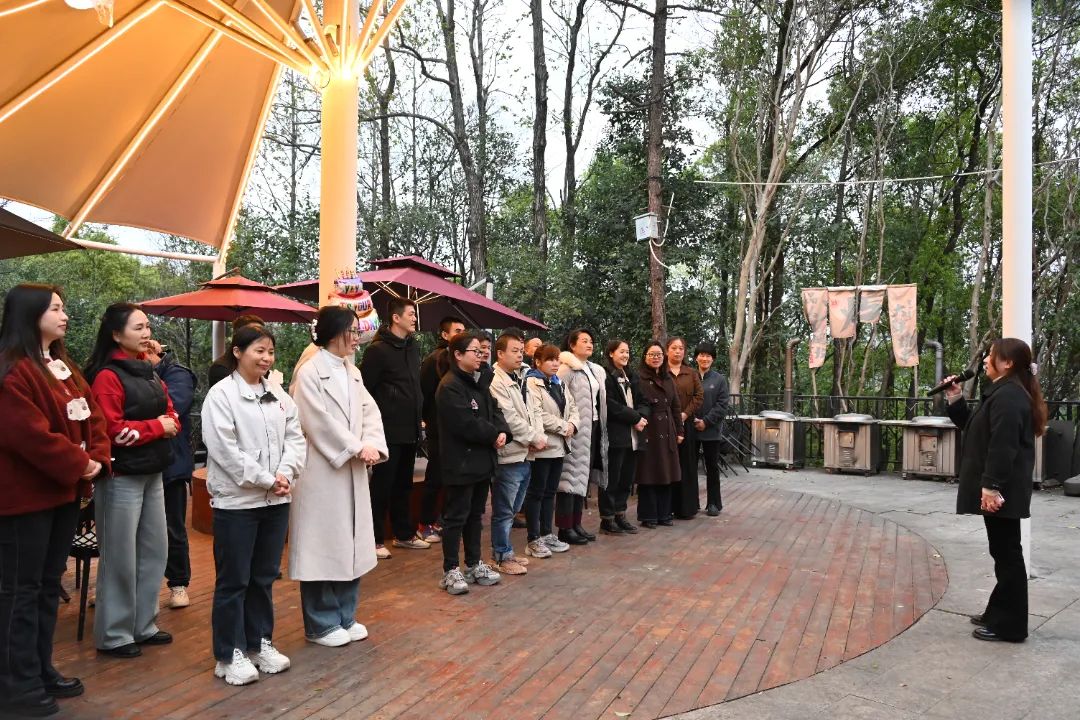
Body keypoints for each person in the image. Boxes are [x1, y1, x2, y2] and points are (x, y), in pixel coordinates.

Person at [0, 285, 109, 718]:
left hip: (63, 494)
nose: (64, 315)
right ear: (30, 314)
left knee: (47, 586)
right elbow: (27, 434)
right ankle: (16, 684)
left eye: (63, 307)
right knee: (19, 591)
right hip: (24, 501)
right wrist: (81, 463)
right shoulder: (13, 370)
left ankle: (40, 669)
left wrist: (97, 457)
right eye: (56, 308)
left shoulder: (63, 366)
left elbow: (94, 416)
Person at [201, 325, 304, 685]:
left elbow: (296, 438)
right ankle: (228, 654)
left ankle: (259, 643)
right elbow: (224, 450)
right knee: (234, 580)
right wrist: (266, 478)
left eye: (270, 352)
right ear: (237, 352)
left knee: (263, 577)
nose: (266, 358)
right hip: (237, 504)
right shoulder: (221, 395)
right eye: (259, 350)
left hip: (276, 499)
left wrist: (285, 473)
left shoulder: (278, 395)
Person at [290, 306, 388, 647]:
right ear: (334, 332)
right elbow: (315, 420)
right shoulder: (309, 372)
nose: (357, 337)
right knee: (320, 546)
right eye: (353, 330)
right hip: (322, 470)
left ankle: (346, 615)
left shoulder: (352, 371)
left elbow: (370, 412)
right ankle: (320, 623)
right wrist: (355, 447)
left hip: (352, 469)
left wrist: (372, 443)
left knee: (351, 543)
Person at [85, 304, 178, 659]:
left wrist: (164, 424)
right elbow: (110, 430)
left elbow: (172, 412)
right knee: (119, 556)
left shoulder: (148, 371)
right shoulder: (107, 376)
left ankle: (144, 624)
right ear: (115, 334)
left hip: (153, 471)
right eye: (138, 327)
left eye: (147, 326)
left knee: (155, 551)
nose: (146, 333)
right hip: (121, 476)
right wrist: (157, 427)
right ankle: (114, 633)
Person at [943, 338, 1045, 644]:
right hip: (1001, 487)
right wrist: (955, 399)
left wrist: (991, 486)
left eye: (991, 355)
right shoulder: (1002, 391)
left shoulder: (1009, 396)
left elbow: (1003, 446)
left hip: (1003, 489)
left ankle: (1010, 626)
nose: (986, 360)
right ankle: (998, 612)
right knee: (1003, 552)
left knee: (1008, 554)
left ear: (1007, 363)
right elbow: (976, 429)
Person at [435, 332, 510, 595]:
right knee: (456, 517)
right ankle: (450, 569)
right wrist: (493, 434)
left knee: (476, 516)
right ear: (458, 354)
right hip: (461, 462)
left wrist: (503, 432)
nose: (481, 356)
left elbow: (495, 411)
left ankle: (474, 563)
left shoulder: (479, 382)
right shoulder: (450, 386)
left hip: (482, 461)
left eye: (482, 351)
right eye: (475, 352)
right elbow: (465, 423)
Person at [360, 298, 427, 556]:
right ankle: (373, 539)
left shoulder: (413, 347)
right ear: (396, 318)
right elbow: (366, 390)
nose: (415, 318)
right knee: (382, 486)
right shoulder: (377, 350)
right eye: (410, 314)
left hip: (411, 428)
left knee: (404, 485)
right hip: (386, 430)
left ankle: (404, 534)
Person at [145, 339, 198, 608]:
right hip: (138, 462)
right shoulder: (124, 372)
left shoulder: (177, 374)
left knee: (172, 527)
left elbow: (172, 410)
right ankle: (123, 585)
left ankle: (178, 583)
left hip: (172, 465)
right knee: (134, 530)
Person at [488, 331, 546, 575]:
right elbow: (509, 417)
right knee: (503, 511)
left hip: (526, 452)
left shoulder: (523, 376)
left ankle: (507, 552)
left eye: (521, 350)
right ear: (500, 353)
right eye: (514, 351)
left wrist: (537, 437)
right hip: (509, 454)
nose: (520, 355)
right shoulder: (495, 380)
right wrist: (534, 438)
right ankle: (501, 556)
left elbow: (534, 411)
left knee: (513, 509)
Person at [523, 344, 576, 558]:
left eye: (557, 360)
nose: (555, 364)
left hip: (560, 446)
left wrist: (573, 424)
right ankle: (533, 538)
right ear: (538, 362)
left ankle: (546, 533)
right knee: (536, 493)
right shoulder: (531, 383)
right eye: (550, 360)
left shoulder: (558, 382)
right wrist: (564, 427)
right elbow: (537, 414)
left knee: (550, 493)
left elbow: (573, 407)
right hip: (543, 446)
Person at [556, 329, 608, 544]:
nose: (589, 344)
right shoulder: (566, 368)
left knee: (582, 477)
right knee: (569, 477)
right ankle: (565, 527)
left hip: (593, 426)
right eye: (584, 341)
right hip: (575, 429)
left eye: (591, 341)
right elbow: (558, 398)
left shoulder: (594, 369)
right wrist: (569, 424)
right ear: (572, 345)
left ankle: (576, 524)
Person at [417, 315, 465, 546]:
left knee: (452, 478)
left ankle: (445, 520)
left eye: (464, 331)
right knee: (435, 477)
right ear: (445, 335)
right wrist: (429, 421)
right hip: (437, 428)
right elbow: (424, 395)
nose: (462, 335)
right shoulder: (433, 360)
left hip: (457, 430)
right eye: (457, 331)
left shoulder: (462, 361)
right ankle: (425, 523)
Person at [600, 339, 649, 535]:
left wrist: (642, 417)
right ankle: (607, 518)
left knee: (627, 479)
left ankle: (620, 514)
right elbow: (610, 405)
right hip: (616, 435)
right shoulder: (605, 375)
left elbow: (643, 400)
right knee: (612, 478)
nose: (625, 355)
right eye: (621, 351)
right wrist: (635, 418)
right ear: (611, 353)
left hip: (634, 436)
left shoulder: (632, 375)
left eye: (627, 352)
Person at [635, 341, 683, 528]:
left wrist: (680, 430)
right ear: (645, 357)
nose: (655, 358)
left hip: (667, 429)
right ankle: (648, 515)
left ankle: (664, 513)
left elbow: (676, 406)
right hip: (648, 428)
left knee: (666, 472)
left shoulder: (668, 378)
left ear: (663, 357)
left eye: (659, 355)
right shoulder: (638, 378)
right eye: (651, 354)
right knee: (648, 473)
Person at [666, 337, 703, 519]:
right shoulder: (661, 372)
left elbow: (699, 396)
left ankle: (687, 508)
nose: (678, 351)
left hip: (686, 423)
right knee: (668, 464)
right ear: (667, 350)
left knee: (687, 465)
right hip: (665, 424)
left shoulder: (691, 373)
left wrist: (685, 414)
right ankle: (666, 508)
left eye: (681, 348)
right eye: (674, 348)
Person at [692, 342, 729, 516]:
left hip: (711, 431)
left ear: (712, 359)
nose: (704, 358)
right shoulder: (690, 376)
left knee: (712, 467)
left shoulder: (719, 379)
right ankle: (691, 503)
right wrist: (692, 420)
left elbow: (722, 405)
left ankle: (714, 503)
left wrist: (705, 421)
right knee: (689, 467)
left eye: (708, 356)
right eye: (701, 355)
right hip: (691, 429)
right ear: (696, 358)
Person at [208, 314, 264, 387]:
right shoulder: (221, 369)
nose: (260, 337)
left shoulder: (261, 365)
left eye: (262, 333)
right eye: (253, 333)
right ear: (237, 335)